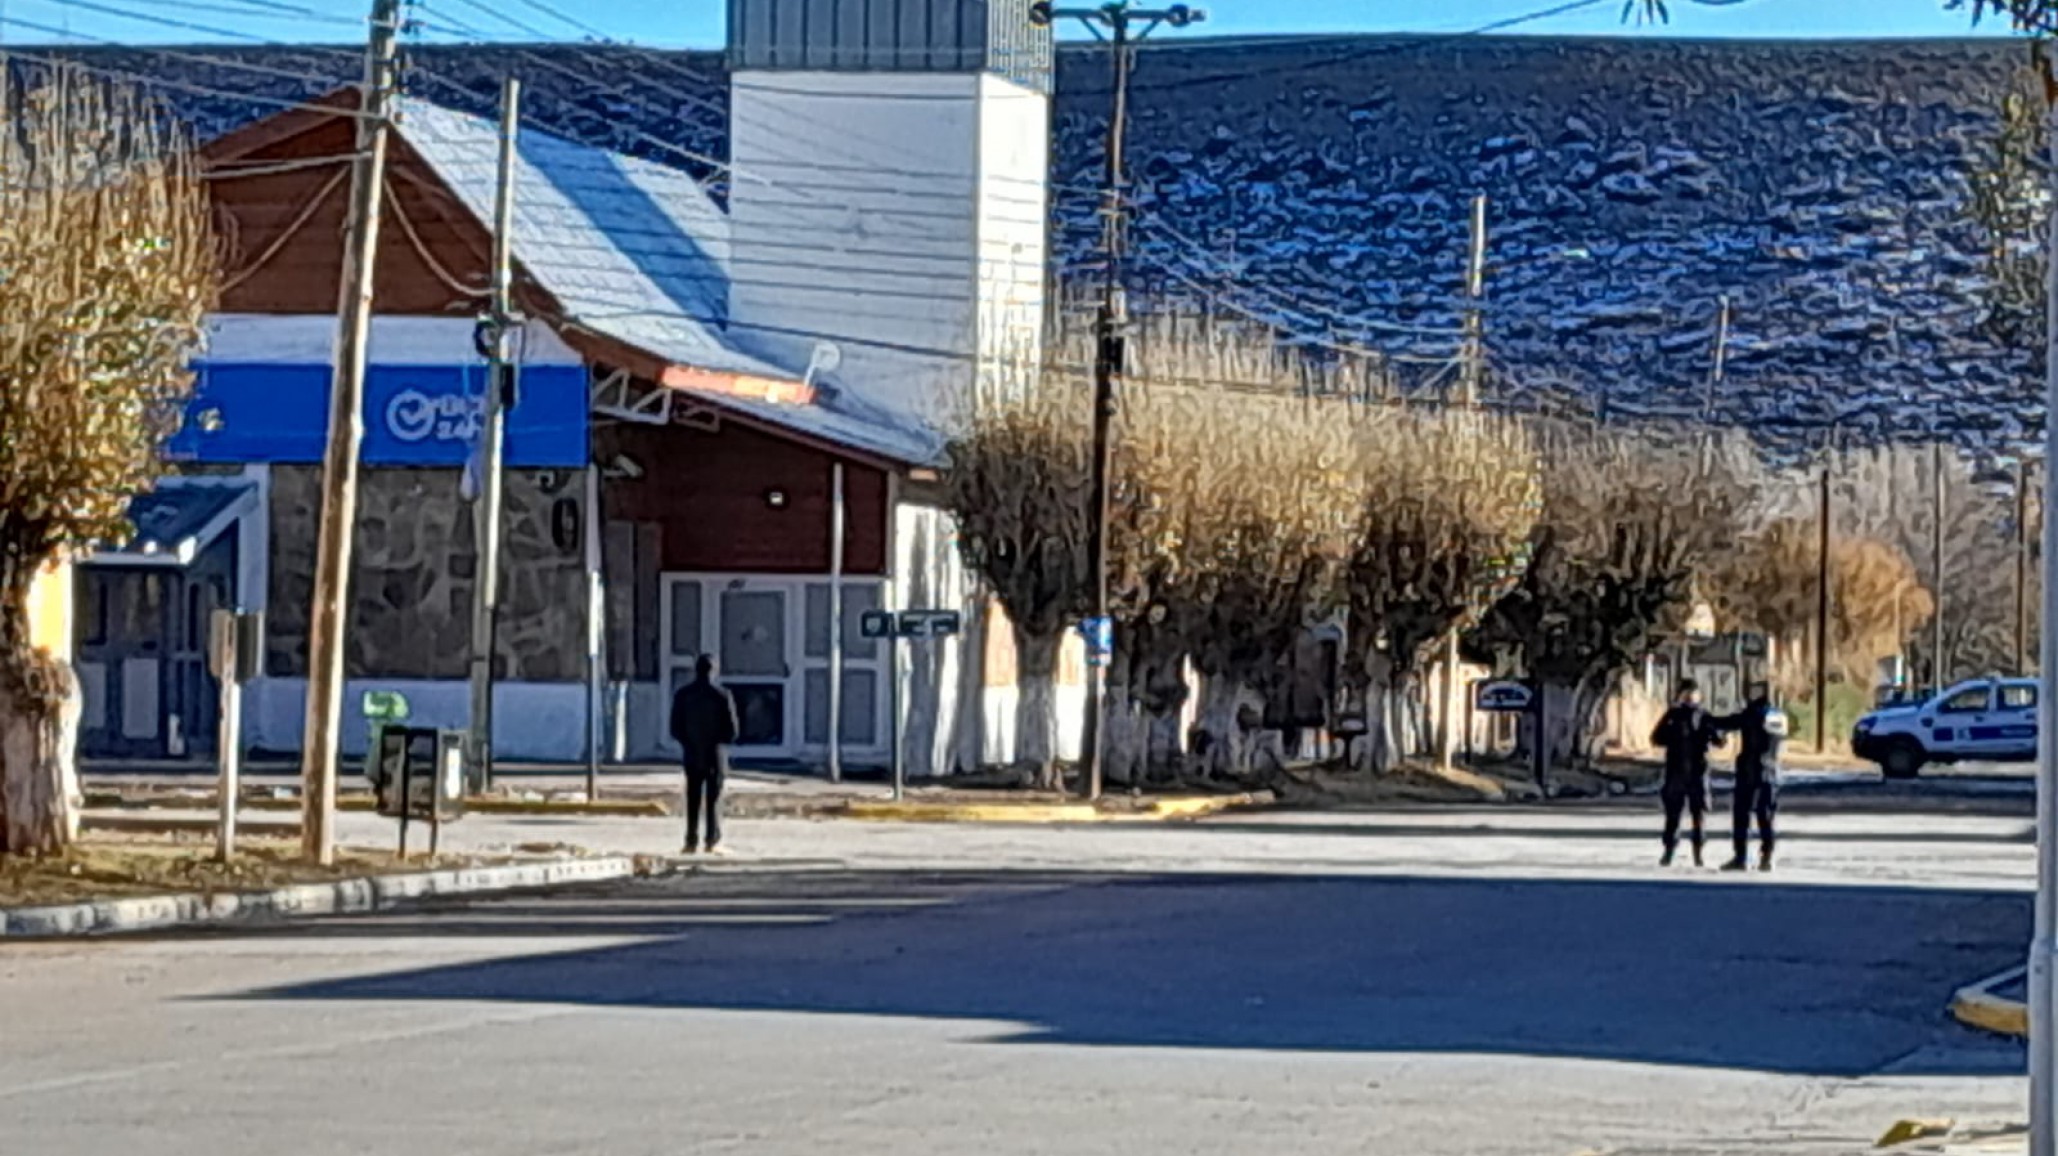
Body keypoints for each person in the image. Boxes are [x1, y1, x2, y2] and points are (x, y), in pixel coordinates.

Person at [1713, 681, 1786, 872]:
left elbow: (1730, 722)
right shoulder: (1778, 715)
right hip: (1772, 770)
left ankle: (1742, 857)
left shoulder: (1753, 714)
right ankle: (1767, 856)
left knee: (1742, 814)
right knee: (1766, 816)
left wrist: (1707, 720)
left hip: (1751, 770)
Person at [669, 654, 738, 854]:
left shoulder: (683, 695)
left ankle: (690, 841)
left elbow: (675, 728)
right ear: (714, 670)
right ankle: (712, 840)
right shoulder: (722, 695)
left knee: (693, 797)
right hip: (715, 754)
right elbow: (733, 730)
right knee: (713, 798)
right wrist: (719, 740)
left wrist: (688, 742)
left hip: (692, 752)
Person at [1650, 679, 1720, 867]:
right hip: (1676, 771)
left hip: (1698, 771)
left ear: (1699, 695)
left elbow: (1719, 740)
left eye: (1692, 693)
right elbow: (1656, 737)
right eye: (1686, 693)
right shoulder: (1673, 715)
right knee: (1673, 814)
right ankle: (1669, 851)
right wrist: (1673, 737)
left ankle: (1698, 853)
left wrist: (1711, 736)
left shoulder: (1704, 716)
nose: (1689, 697)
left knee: (1699, 815)